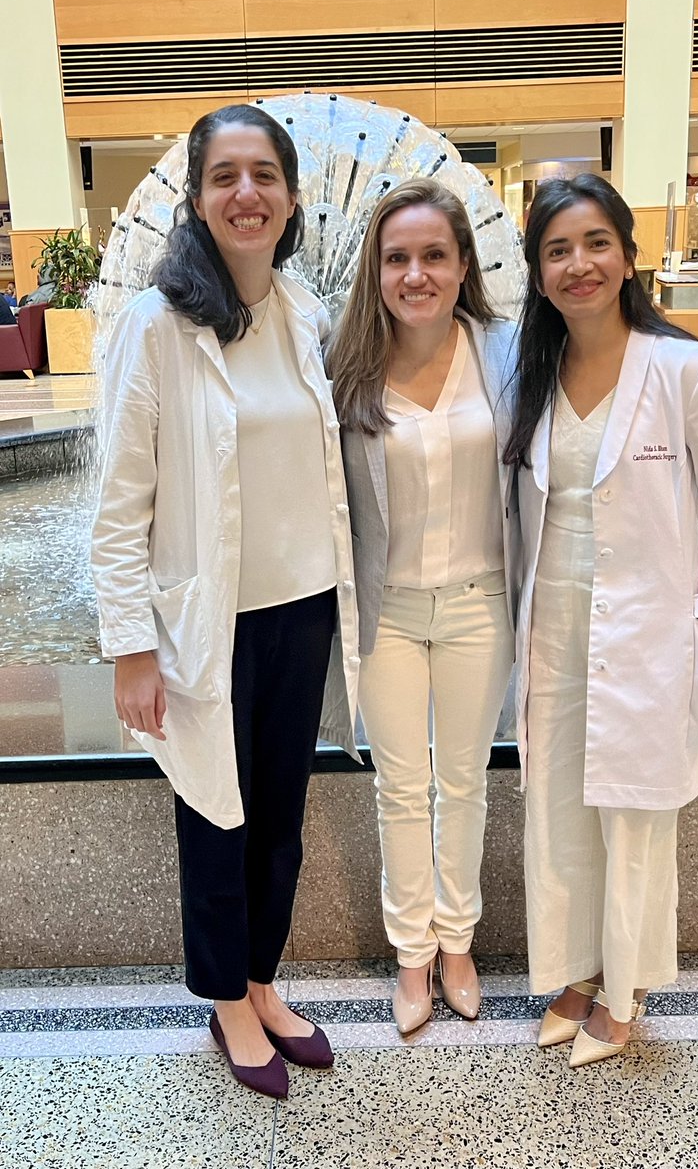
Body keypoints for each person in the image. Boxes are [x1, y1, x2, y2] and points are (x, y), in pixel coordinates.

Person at [91, 104, 360, 1099]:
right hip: (208, 619)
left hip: (303, 607)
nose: (246, 194)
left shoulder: (303, 311)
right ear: (198, 199)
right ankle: (225, 1001)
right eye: (224, 177)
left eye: (264, 176)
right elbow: (120, 501)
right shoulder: (156, 327)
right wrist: (129, 645)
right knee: (217, 812)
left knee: (280, 814)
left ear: (289, 199)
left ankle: (262, 979)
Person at [503, 174, 698, 1068]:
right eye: (557, 250)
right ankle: (575, 971)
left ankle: (628, 985)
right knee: (563, 810)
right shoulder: (530, 375)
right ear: (537, 272)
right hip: (556, 629)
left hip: (651, 631)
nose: (578, 265)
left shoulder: (687, 369)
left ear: (627, 253)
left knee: (636, 817)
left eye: (594, 243)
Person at [327, 179, 519, 1034]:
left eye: (432, 255)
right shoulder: (347, 368)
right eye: (396, 258)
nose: (415, 274)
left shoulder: (505, 353)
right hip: (390, 615)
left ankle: (458, 944)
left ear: (462, 263)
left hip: (481, 603)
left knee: (464, 782)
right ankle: (412, 955)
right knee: (400, 790)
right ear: (376, 271)